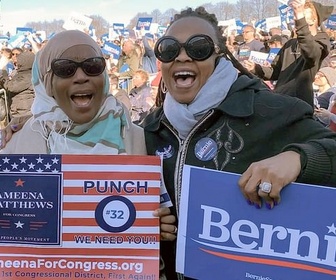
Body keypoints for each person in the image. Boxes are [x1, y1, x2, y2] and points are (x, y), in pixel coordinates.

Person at [140, 6, 336, 280]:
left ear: (219, 56)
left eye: (198, 48)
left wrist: (299, 159)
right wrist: (148, 228)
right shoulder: (149, 130)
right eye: (169, 49)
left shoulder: (271, 110)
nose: (182, 56)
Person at [0, 30, 176, 280]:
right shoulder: (16, 147)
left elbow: (157, 215)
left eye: (93, 66)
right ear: (47, 80)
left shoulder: (138, 136)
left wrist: (152, 227)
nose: (81, 76)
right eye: (65, 68)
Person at [244, 0, 334, 108]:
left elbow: (311, 54)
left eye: (300, 14)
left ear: (314, 19)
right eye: (295, 14)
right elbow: (275, 71)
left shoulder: (322, 40)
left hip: (299, 105)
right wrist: (256, 68)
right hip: (279, 100)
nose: (295, 18)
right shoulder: (290, 44)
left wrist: (300, 18)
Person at [3, 51, 35, 120]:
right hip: (17, 109)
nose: (16, 62)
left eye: (19, 60)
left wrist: (3, 76)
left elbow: (12, 87)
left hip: (23, 111)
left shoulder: (28, 76)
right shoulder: (21, 73)